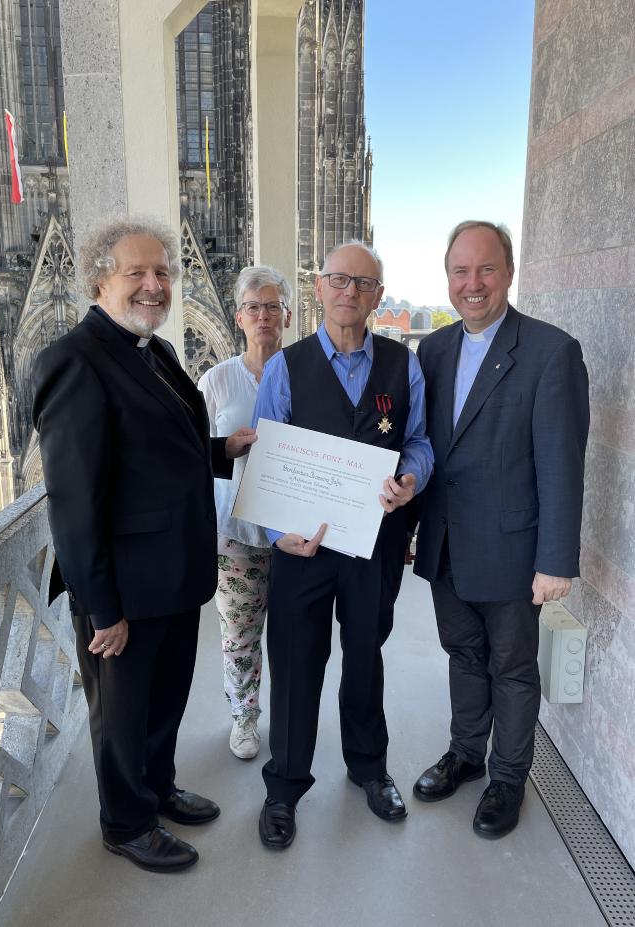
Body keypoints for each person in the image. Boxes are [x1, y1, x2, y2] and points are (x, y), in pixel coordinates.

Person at [32, 217, 255, 872]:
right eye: (138, 273)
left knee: (164, 701)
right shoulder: (74, 360)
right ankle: (126, 821)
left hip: (175, 575)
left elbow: (158, 453)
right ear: (101, 277)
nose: (155, 285)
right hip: (123, 591)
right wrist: (102, 609)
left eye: (162, 272)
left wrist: (224, 451)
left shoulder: (151, 350)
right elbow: (74, 502)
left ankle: (157, 787)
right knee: (122, 716)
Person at [253, 242, 434, 849]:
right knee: (296, 665)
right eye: (338, 279)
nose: (348, 291)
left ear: (378, 296)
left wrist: (411, 478)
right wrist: (280, 534)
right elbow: (265, 459)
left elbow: (419, 442)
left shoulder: (402, 367)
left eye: (362, 282)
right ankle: (283, 788)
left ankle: (369, 769)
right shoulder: (285, 367)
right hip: (302, 549)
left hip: (372, 546)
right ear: (319, 287)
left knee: (365, 657)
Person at [412, 220, 589, 839]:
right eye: (461, 271)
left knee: (512, 669)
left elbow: (562, 463)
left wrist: (556, 560)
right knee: (463, 655)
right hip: (446, 545)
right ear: (448, 278)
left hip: (514, 551)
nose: (473, 284)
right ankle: (465, 754)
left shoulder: (550, 351)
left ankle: (507, 779)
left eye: (486, 269)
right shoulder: (431, 351)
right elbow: (424, 447)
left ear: (509, 272)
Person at [198, 266, 292, 760]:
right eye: (254, 307)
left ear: (288, 316)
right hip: (234, 534)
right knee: (239, 635)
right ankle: (244, 719)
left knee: (296, 636)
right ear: (238, 317)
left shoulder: (305, 375)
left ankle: (294, 719)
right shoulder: (216, 381)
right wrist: (227, 447)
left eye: (272, 306)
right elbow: (193, 450)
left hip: (296, 535)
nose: (263, 316)